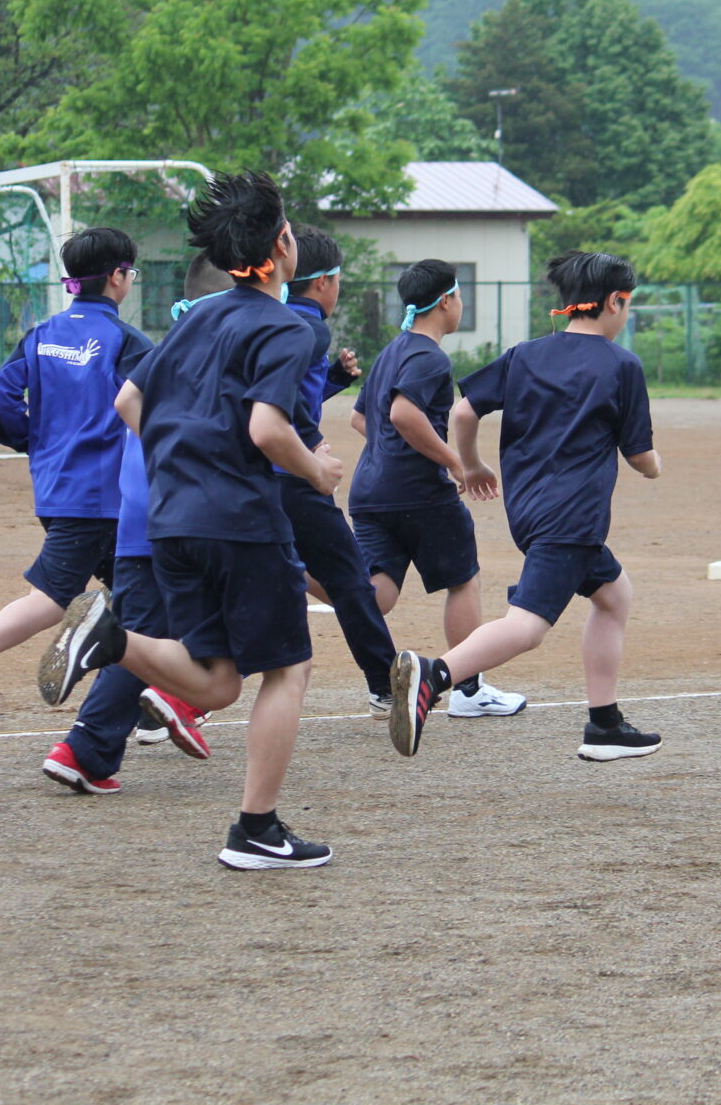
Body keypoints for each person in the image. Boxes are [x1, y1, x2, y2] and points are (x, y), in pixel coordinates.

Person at [41, 171, 341, 870]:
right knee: (289, 669)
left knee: (216, 681)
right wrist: (316, 471)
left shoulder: (199, 313)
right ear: (283, 244)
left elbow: (128, 404)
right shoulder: (289, 327)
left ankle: (110, 637)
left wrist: (183, 465)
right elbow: (269, 429)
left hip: (171, 519)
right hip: (238, 519)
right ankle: (256, 829)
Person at [389, 251, 662, 762]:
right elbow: (639, 454)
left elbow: (466, 409)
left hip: (532, 511)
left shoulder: (526, 354)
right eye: (627, 306)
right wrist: (654, 467)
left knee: (614, 596)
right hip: (573, 517)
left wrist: (470, 465)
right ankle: (435, 675)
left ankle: (604, 724)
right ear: (615, 302)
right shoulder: (623, 365)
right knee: (528, 626)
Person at [0, 227, 149, 735]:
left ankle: (147, 701)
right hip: (107, 498)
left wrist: (36, 441)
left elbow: (1, 402)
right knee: (55, 598)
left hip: (56, 488)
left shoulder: (42, 334)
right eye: (130, 272)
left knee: (141, 603)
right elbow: (152, 411)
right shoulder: (127, 342)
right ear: (116, 278)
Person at [39, 255, 231, 794]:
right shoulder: (224, 346)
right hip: (186, 513)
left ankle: (85, 749)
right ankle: (178, 695)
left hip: (138, 515)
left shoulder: (164, 343)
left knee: (149, 632)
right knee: (245, 609)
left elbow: (128, 400)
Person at [348, 258, 526, 720]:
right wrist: (457, 464)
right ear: (446, 300)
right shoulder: (429, 356)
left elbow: (360, 418)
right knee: (463, 578)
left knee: (376, 592)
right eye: (460, 296)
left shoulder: (393, 350)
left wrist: (390, 455)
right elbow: (403, 416)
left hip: (370, 491)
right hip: (419, 493)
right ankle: (468, 690)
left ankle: (377, 680)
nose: (461, 304)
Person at [272, 225, 398, 715]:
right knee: (350, 581)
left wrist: (334, 379)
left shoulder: (275, 319)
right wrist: (311, 449)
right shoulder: (310, 327)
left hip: (255, 478)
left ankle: (173, 693)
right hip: (296, 478)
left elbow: (279, 394)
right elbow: (282, 408)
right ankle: (387, 684)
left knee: (251, 590)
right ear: (323, 282)